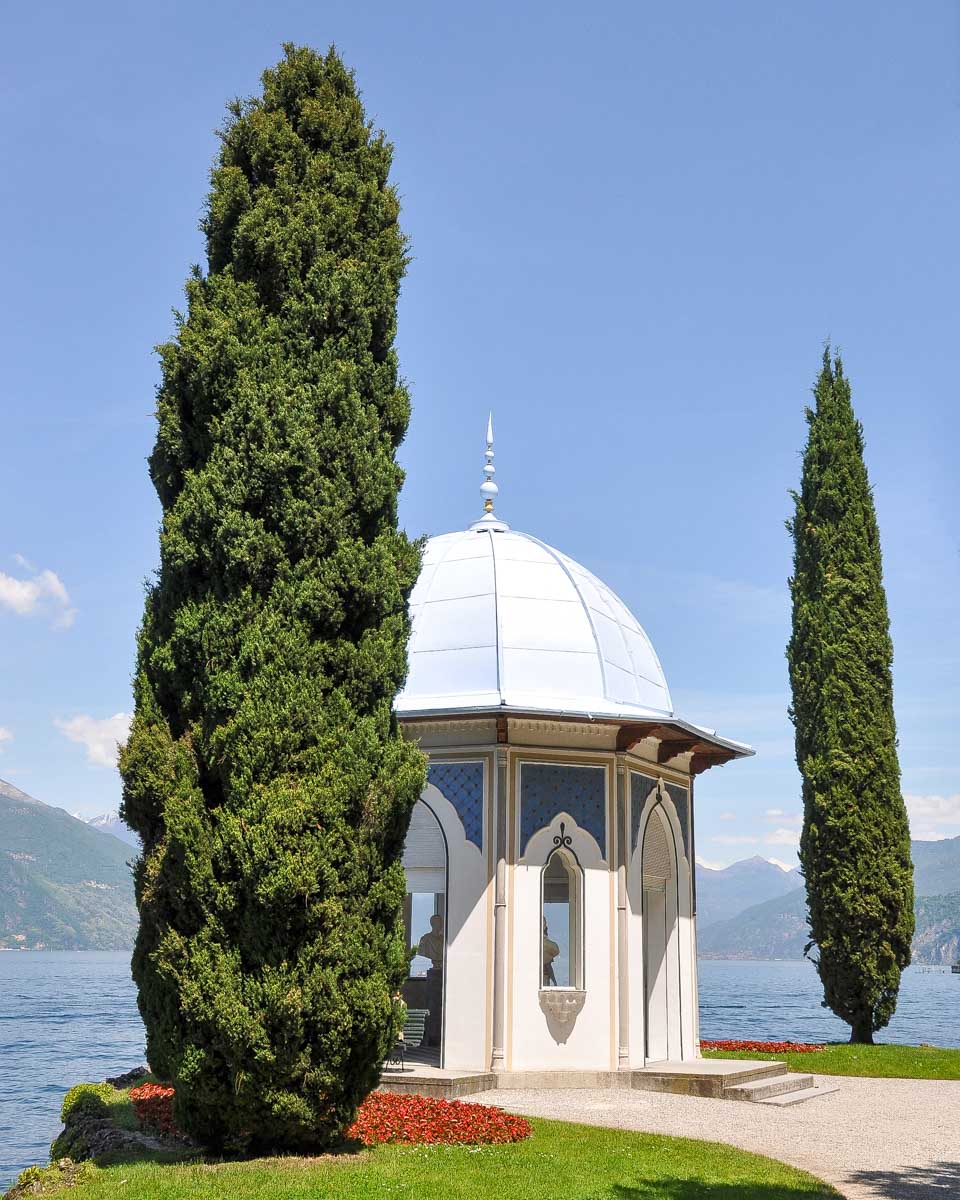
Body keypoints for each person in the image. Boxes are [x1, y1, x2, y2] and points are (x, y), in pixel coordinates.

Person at [542, 917, 560, 986]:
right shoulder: (544, 943)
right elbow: (555, 949)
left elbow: (555, 950)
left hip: (545, 976)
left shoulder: (546, 942)